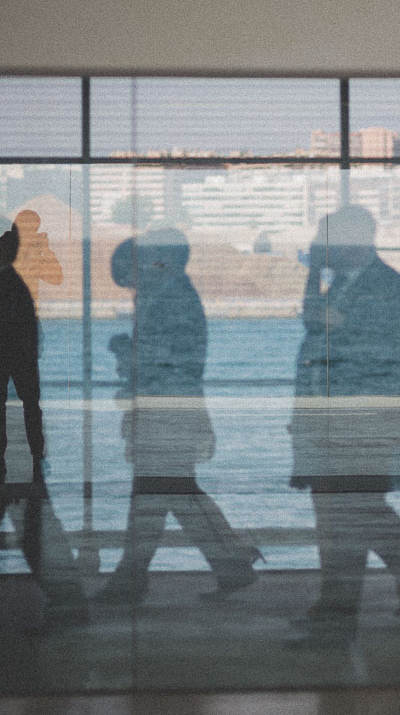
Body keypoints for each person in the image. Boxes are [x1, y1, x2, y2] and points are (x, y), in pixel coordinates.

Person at [288, 205, 400, 649]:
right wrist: (313, 276)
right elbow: (314, 322)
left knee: (350, 516)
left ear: (352, 241)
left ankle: (343, 615)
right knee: (345, 516)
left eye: (325, 238)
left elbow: (372, 350)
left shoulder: (386, 286)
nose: (320, 247)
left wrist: (335, 323)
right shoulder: (343, 284)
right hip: (331, 421)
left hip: (359, 421)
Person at [96, 228, 260, 605]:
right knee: (163, 491)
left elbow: (167, 357)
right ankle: (226, 563)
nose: (132, 282)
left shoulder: (171, 298)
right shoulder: (169, 294)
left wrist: (126, 349)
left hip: (166, 409)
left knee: (164, 491)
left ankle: (136, 576)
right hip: (169, 408)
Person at [0, 226, 45, 481]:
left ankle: (0, 459)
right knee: (29, 405)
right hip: (18, 349)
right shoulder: (15, 284)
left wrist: (12, 235)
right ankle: (36, 457)